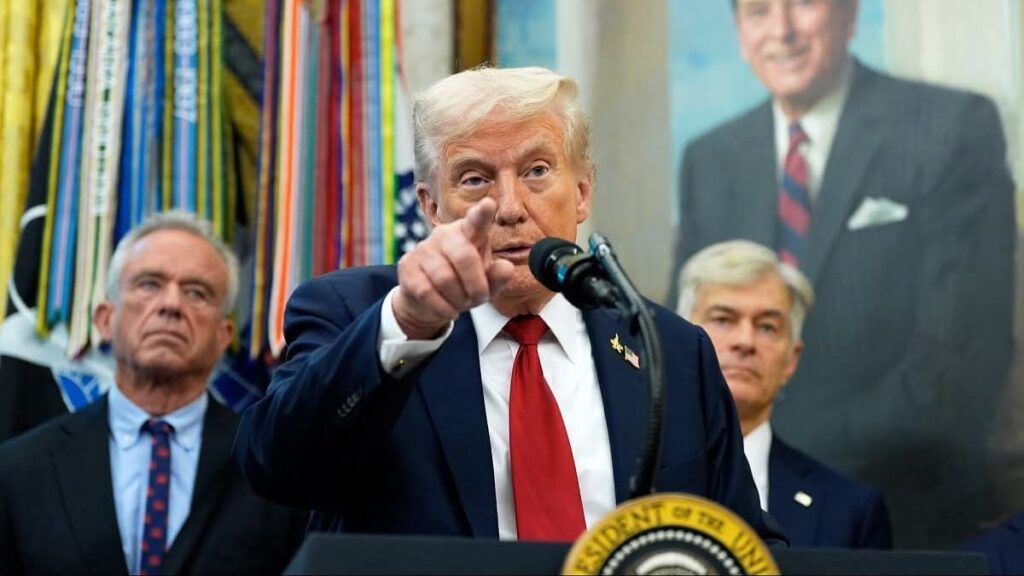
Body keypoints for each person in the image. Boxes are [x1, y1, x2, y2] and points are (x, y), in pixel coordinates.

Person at [234, 66, 784, 544]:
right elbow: (277, 468)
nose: (509, 207)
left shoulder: (671, 350)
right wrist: (408, 324)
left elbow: (744, 546)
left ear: (583, 191)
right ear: (431, 206)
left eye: (537, 170)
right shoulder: (354, 313)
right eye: (475, 179)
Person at [666, 0, 1016, 547]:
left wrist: (778, 453)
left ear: (849, 16)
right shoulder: (710, 158)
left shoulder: (949, 127)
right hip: (733, 511)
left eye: (802, 4)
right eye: (758, 11)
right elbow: (683, 347)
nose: (782, 30)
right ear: (738, 31)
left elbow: (957, 361)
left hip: (907, 511)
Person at [0, 213, 308, 575]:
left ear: (223, 335)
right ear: (105, 319)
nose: (171, 305)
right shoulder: (21, 468)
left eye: (196, 292)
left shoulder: (274, 467)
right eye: (149, 284)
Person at [678, 240, 891, 548]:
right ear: (678, 339)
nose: (745, 341)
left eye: (767, 327)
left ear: (791, 359)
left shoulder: (850, 511)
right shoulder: (623, 474)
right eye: (723, 320)